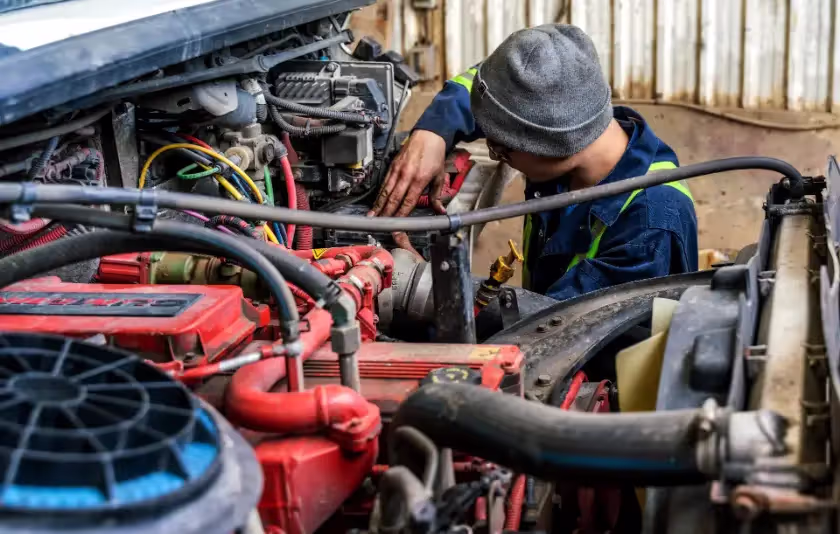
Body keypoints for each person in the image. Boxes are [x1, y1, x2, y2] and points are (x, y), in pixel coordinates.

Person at [367, 23, 698, 300]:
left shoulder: (649, 228)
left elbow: (549, 330)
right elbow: (497, 88)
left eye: (502, 149)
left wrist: (422, 285)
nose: (496, 153)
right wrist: (433, 132)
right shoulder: (571, 112)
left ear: (551, 144)